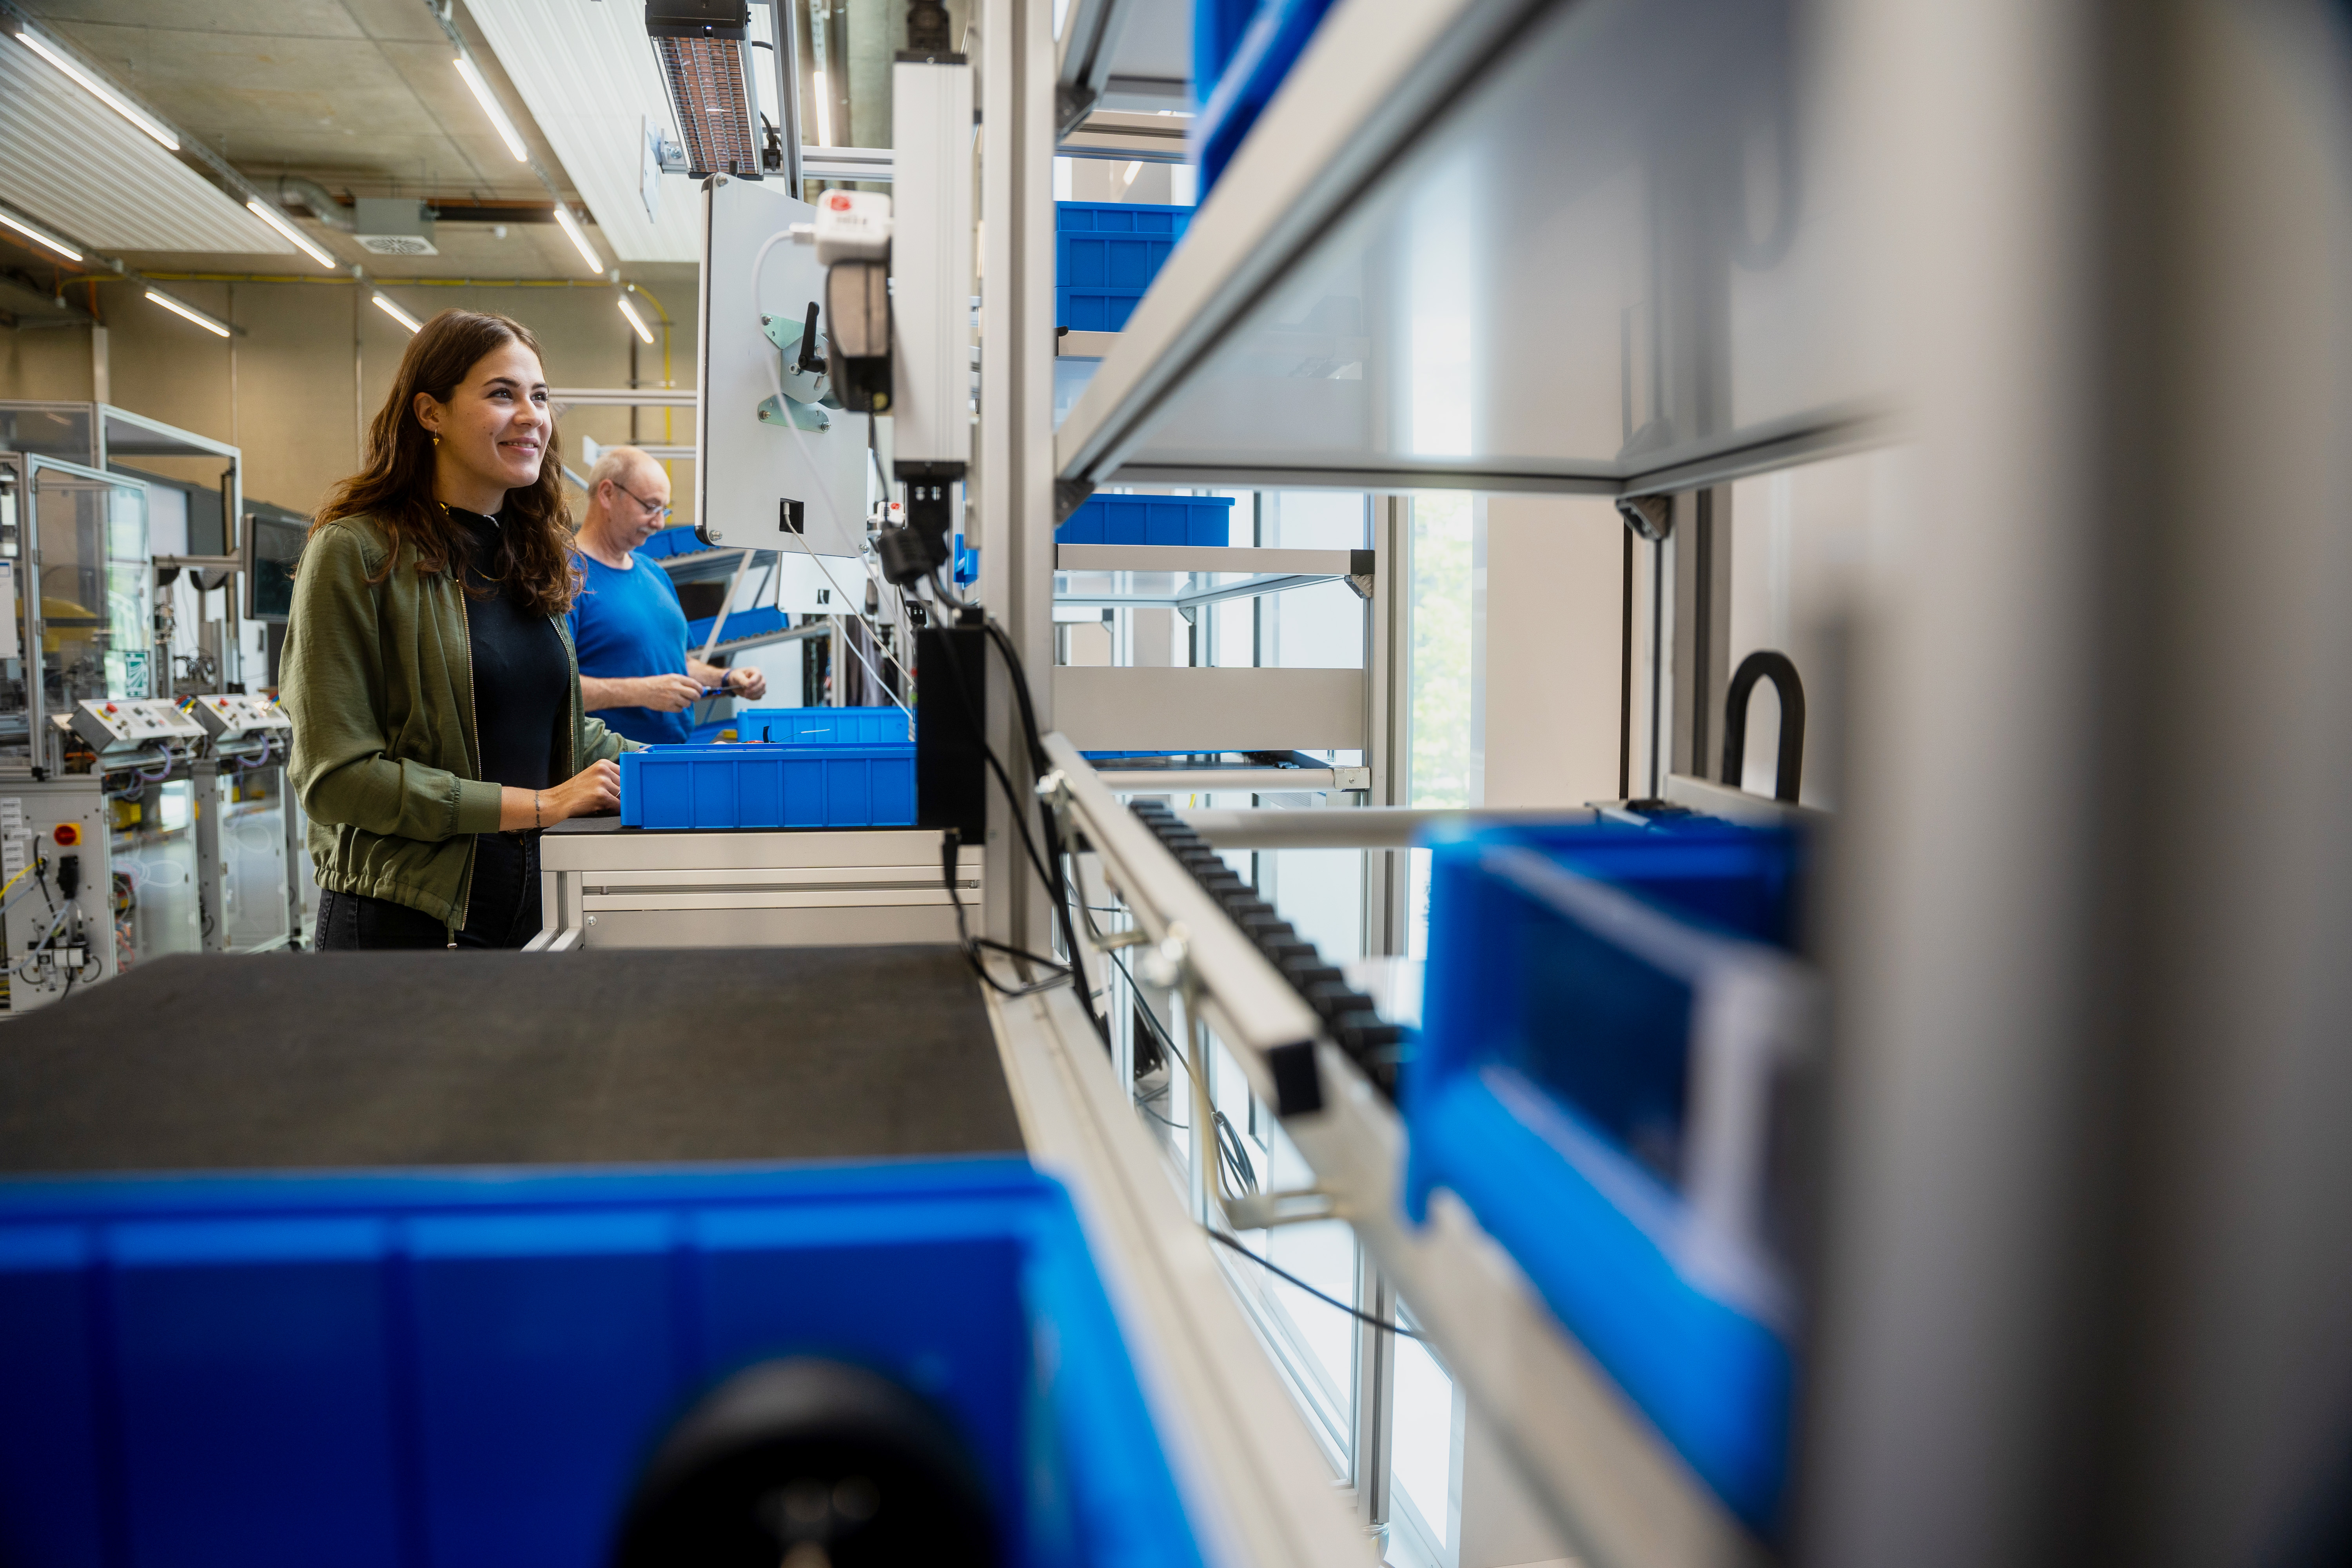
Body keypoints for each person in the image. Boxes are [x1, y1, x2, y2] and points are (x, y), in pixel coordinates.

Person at [281, 309, 637, 949]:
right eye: (502, 394)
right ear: (430, 413)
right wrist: (540, 806)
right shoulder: (357, 552)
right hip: (410, 922)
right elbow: (337, 778)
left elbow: (552, 730)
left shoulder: (532, 556)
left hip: (536, 911)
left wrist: (699, 772)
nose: (531, 415)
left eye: (540, 396)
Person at [568, 446, 766, 744]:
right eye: (650, 508)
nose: (660, 523)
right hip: (608, 772)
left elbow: (678, 664)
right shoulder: (566, 576)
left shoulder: (653, 572)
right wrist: (642, 692)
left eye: (664, 510)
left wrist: (726, 680)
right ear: (607, 494)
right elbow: (551, 690)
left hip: (669, 758)